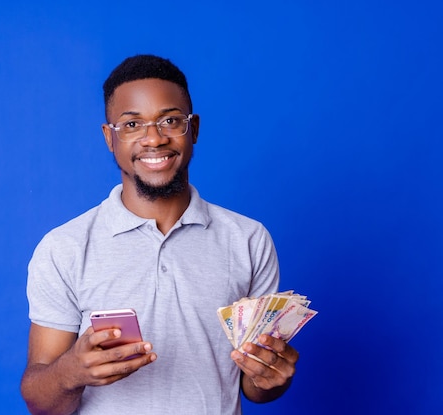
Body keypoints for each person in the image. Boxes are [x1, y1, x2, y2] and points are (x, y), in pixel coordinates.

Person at [20, 54, 299, 415]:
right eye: (132, 124)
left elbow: (254, 388)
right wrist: (71, 371)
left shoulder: (248, 239)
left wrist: (272, 376)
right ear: (110, 137)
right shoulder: (65, 248)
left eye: (170, 121)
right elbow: (41, 402)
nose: (153, 139)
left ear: (193, 129)